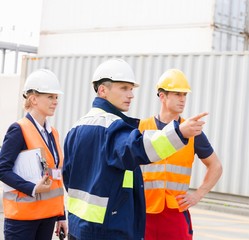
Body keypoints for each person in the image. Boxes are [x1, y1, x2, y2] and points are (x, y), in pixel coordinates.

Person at [62, 59, 207, 240]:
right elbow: (138, 147)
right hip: (108, 229)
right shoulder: (113, 127)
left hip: (78, 225)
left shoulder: (75, 128)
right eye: (123, 88)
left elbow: (68, 176)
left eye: (131, 89)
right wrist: (179, 132)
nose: (130, 95)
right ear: (102, 90)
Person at [138, 69, 223, 240]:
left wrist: (198, 195)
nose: (183, 99)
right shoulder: (141, 128)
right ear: (162, 96)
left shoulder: (192, 130)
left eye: (184, 95)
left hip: (175, 213)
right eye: (177, 94)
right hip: (143, 211)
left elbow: (216, 166)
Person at [0, 69, 68, 239]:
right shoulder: (19, 129)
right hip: (22, 219)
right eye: (50, 97)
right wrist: (32, 188)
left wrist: (61, 215)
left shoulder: (53, 133)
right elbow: (2, 169)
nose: (55, 102)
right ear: (33, 99)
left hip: (48, 217)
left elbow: (56, 176)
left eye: (56, 97)